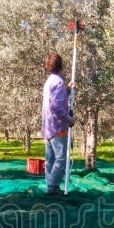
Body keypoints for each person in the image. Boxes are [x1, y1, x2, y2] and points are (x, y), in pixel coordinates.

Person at [41, 51, 74, 195]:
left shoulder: (50, 81)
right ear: (61, 66)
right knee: (61, 158)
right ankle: (52, 186)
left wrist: (67, 90)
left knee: (50, 159)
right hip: (57, 127)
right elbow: (56, 107)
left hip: (48, 126)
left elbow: (54, 100)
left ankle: (51, 185)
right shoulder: (58, 82)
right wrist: (69, 119)